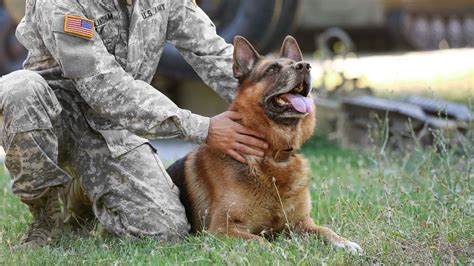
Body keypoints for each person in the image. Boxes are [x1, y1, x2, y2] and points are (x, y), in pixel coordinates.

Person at [0, 0, 268, 246]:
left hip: (110, 127)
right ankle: (47, 215)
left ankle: (81, 192)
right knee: (19, 90)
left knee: (166, 230)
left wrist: (268, 98)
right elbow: (102, 85)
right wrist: (202, 128)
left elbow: (210, 52)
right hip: (56, 116)